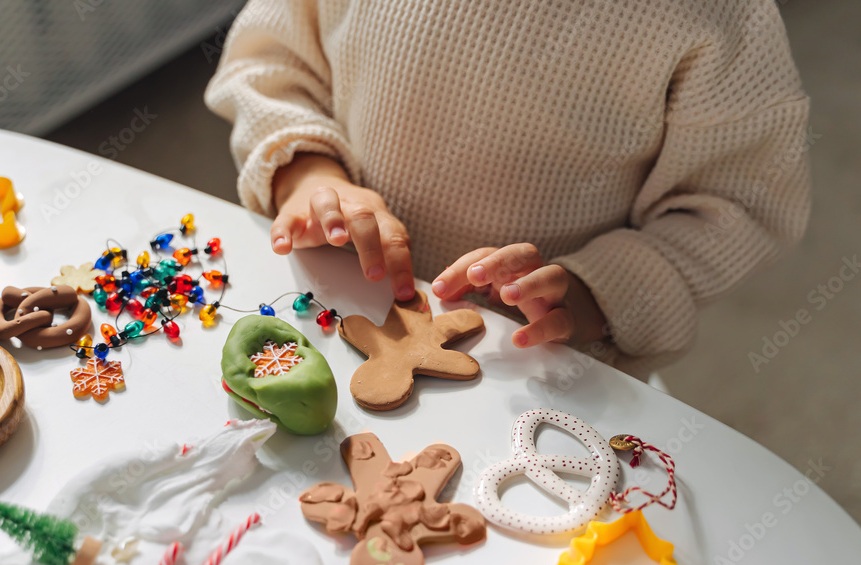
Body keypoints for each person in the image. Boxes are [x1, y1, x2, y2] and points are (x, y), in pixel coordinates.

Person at [205, 0, 811, 376]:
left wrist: (594, 292)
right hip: (329, 307)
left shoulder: (722, 17)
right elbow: (270, 61)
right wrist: (310, 173)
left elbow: (739, 201)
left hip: (536, 371)